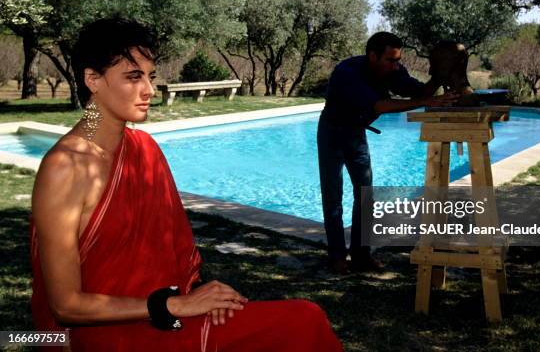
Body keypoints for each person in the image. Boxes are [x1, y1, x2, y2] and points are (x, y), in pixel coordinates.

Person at [30, 17, 343, 352]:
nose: (149, 90)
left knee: (301, 321)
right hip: (109, 333)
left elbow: (172, 252)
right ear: (93, 79)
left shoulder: (144, 148)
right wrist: (171, 306)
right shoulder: (65, 168)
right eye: (133, 77)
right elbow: (65, 305)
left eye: (150, 76)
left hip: (165, 313)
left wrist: (197, 298)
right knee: (303, 321)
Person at [317, 32, 459, 274]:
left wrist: (439, 75)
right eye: (390, 60)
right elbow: (380, 106)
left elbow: (420, 93)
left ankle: (361, 256)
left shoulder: (392, 71)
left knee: (366, 195)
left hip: (356, 133)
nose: (396, 65)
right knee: (333, 198)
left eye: (398, 60)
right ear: (372, 55)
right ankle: (337, 257)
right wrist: (428, 103)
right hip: (332, 133)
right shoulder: (347, 72)